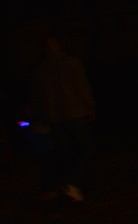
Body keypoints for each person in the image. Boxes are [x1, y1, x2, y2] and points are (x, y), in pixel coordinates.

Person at [28, 34, 96, 202]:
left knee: (66, 151)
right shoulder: (71, 63)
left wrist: (40, 114)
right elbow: (82, 86)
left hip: (54, 117)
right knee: (83, 148)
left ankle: (65, 184)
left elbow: (36, 95)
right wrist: (89, 106)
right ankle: (71, 183)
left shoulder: (39, 69)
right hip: (75, 112)